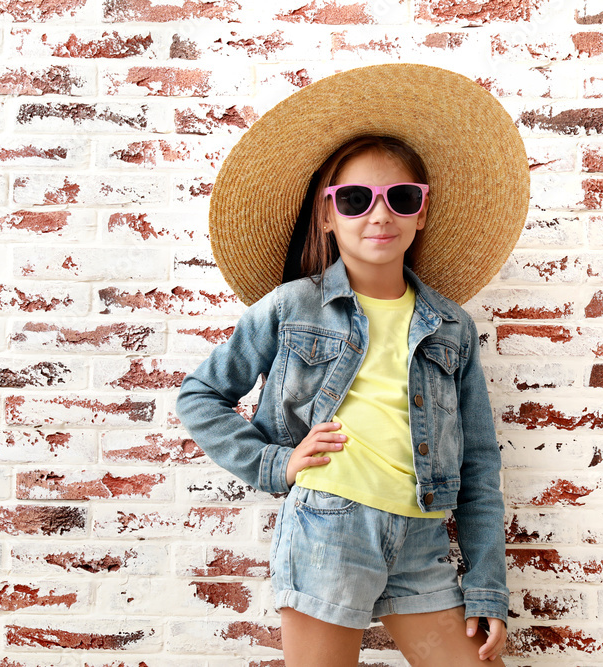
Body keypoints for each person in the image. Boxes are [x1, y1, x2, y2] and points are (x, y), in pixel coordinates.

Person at [176, 63, 529, 666]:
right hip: (327, 528)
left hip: (421, 536)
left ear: (422, 211)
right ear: (327, 213)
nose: (379, 214)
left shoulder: (451, 328)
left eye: (401, 197)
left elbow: (479, 464)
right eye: (357, 198)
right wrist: (276, 464)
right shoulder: (293, 307)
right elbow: (200, 396)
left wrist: (487, 586)